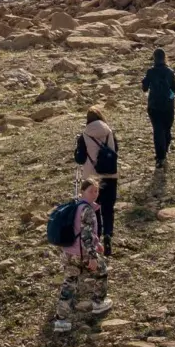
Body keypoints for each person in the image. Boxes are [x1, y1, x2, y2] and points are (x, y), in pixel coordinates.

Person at [54, 177, 110, 332]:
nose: (94, 194)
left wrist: (96, 242)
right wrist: (92, 256)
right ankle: (99, 303)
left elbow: (80, 231)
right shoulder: (88, 210)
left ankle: (61, 320)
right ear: (83, 191)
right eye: (91, 191)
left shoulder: (75, 206)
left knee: (69, 283)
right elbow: (85, 235)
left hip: (69, 252)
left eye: (96, 191)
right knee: (102, 271)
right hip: (82, 254)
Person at [73, 108, 118, 255]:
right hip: (111, 176)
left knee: (94, 209)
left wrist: (77, 149)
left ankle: (96, 239)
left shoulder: (84, 136)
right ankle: (108, 235)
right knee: (108, 209)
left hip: (92, 179)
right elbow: (116, 150)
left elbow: (79, 159)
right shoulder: (110, 132)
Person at [140, 48, 175, 168]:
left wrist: (144, 81)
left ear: (154, 58)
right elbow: (173, 91)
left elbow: (144, 88)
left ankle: (160, 157)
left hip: (154, 106)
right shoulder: (170, 72)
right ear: (165, 57)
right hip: (168, 106)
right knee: (167, 129)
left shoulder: (150, 72)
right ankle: (165, 150)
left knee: (157, 131)